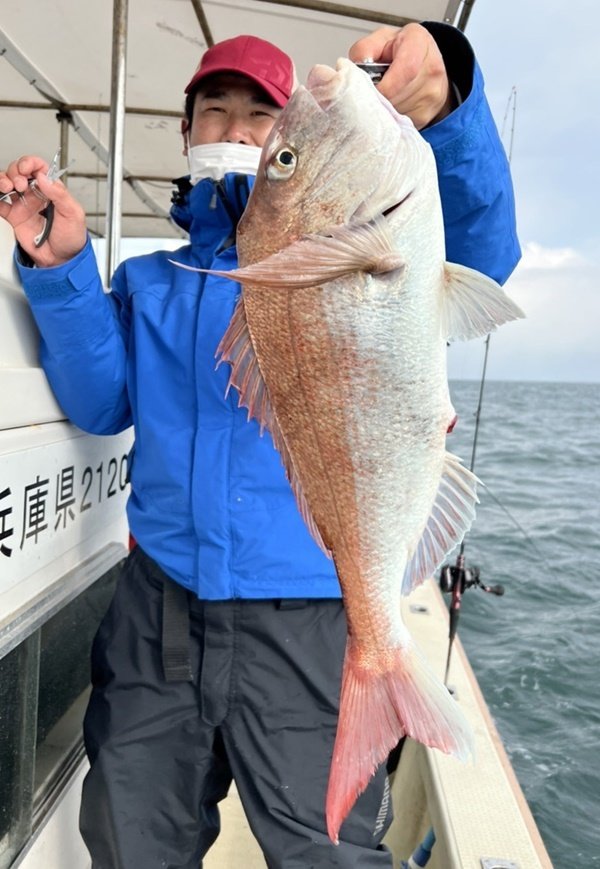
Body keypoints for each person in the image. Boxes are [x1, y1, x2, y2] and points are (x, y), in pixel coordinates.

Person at [0, 23, 520, 869]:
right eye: (215, 109)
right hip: (159, 610)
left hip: (313, 612)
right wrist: (62, 269)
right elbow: (101, 404)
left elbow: (485, 251)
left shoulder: (365, 237)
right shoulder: (152, 280)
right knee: (131, 840)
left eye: (261, 118)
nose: (235, 129)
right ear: (185, 130)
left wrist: (448, 105)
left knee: (327, 852)